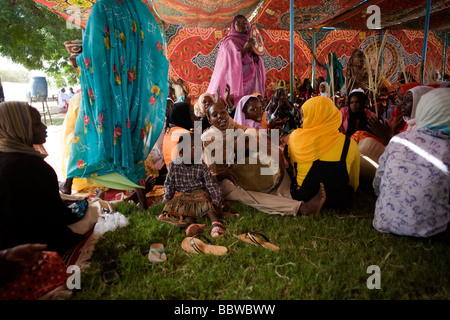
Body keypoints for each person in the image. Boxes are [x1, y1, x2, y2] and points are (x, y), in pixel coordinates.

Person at [65, 0, 169, 210]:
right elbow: (151, 51)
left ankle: (67, 187)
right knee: (129, 137)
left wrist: (80, 60)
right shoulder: (136, 9)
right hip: (130, 88)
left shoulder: (107, 7)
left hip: (111, 89)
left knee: (95, 134)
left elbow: (93, 49)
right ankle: (141, 201)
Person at [202, 100, 326, 217]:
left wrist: (244, 139)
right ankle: (301, 208)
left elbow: (250, 131)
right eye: (215, 115)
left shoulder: (233, 127)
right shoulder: (207, 139)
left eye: (223, 112)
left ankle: (290, 194)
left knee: (275, 170)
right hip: (223, 181)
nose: (220, 116)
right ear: (209, 119)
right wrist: (223, 174)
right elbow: (209, 176)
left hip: (240, 173)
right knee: (246, 194)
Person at [0, 101, 85, 255]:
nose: (45, 128)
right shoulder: (32, 167)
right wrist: (83, 207)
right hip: (34, 248)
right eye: (37, 124)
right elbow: (58, 217)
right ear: (19, 128)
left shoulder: (7, 158)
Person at [372, 88, 450, 237]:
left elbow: (378, 181)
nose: (400, 104)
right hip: (431, 231)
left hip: (383, 219)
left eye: (406, 100)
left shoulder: (400, 139)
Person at [287, 96, 360, 208]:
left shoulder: (295, 138)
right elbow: (354, 183)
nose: (301, 119)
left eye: (304, 114)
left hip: (305, 196)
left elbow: (294, 171)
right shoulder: (349, 143)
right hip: (339, 199)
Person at [160, 132, 225, 238]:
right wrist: (166, 200)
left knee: (204, 200)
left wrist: (216, 202)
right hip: (184, 194)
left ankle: (215, 224)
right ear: (182, 150)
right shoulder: (174, 165)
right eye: (194, 146)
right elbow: (169, 185)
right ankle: (192, 225)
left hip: (199, 192)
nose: (199, 149)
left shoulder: (201, 165)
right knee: (182, 205)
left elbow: (211, 185)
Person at [206, 15, 266, 105]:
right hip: (235, 81)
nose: (241, 25)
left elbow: (256, 56)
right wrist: (245, 49)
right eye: (238, 23)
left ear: (248, 25)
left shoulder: (251, 40)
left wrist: (255, 58)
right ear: (233, 26)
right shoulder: (228, 42)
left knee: (249, 105)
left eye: (244, 23)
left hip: (250, 81)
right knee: (235, 105)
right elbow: (231, 62)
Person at [162, 102, 196, 169]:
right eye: (192, 114)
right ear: (184, 116)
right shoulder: (186, 135)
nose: (195, 117)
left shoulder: (169, 133)